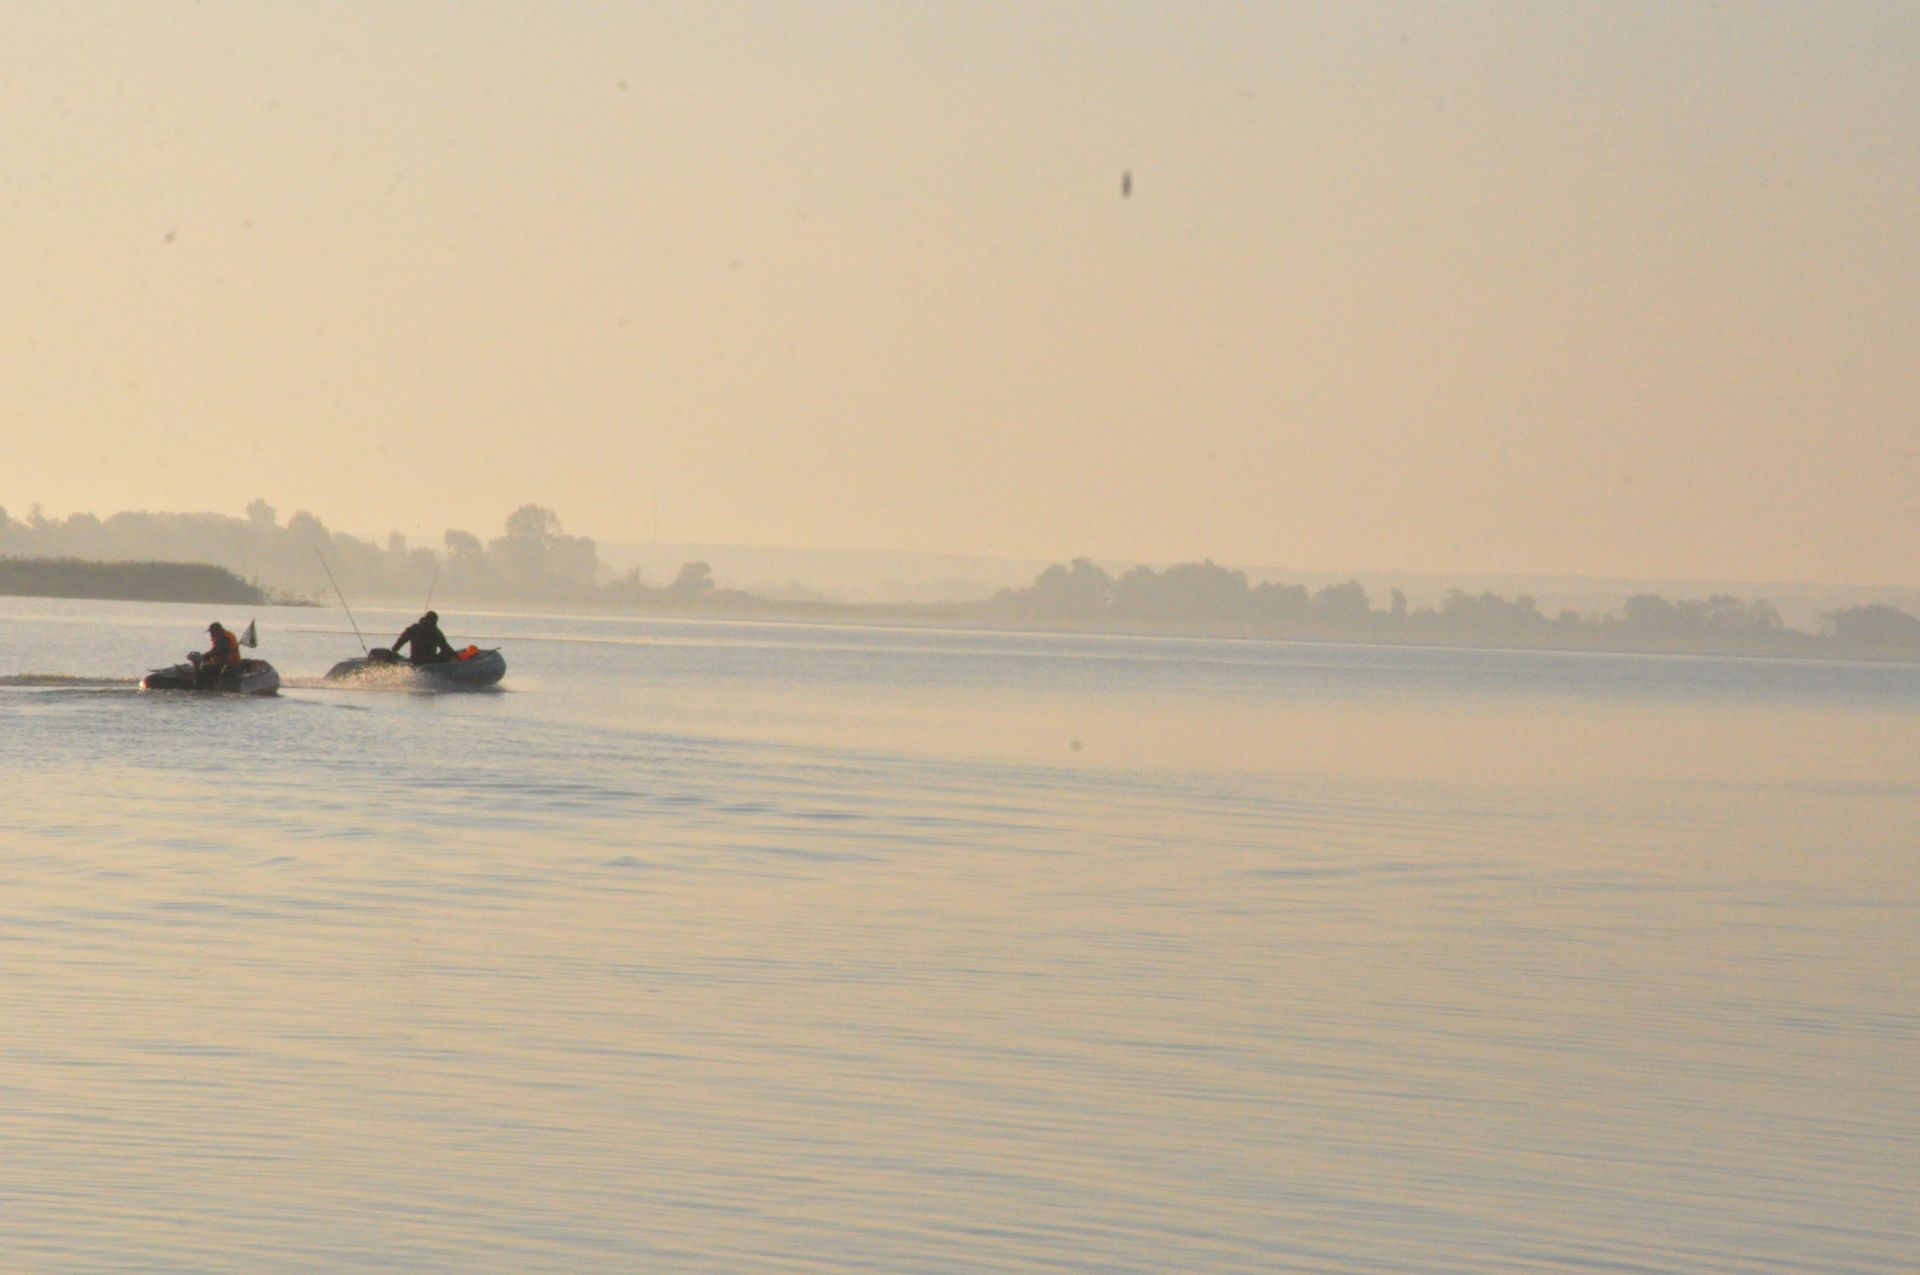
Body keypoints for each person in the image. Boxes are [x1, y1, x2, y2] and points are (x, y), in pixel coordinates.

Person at [390, 610, 455, 665]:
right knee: (447, 654)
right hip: (430, 661)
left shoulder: (414, 628)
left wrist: (393, 651)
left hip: (415, 660)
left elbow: (401, 641)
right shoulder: (435, 631)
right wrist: (456, 656)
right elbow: (445, 647)